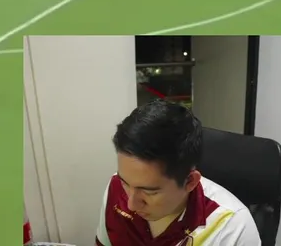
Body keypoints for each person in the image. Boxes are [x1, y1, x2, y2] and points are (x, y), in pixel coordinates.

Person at [96, 100, 261, 246]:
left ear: (190, 181)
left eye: (149, 192)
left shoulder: (231, 227)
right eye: (125, 183)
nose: (131, 204)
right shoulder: (115, 187)